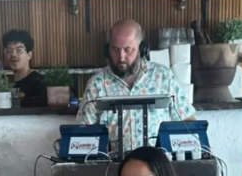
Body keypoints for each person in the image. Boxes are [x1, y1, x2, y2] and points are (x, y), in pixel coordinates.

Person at [77, 19, 195, 155]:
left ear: (142, 49)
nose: (121, 57)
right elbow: (82, 134)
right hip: (113, 166)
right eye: (115, 50)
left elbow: (187, 120)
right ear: (107, 50)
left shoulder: (163, 77)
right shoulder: (96, 84)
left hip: (158, 165)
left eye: (128, 50)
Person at [2, 29, 47, 108]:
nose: (13, 54)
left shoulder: (39, 83)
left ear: (29, 55)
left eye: (19, 50)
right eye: (9, 50)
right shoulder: (3, 86)